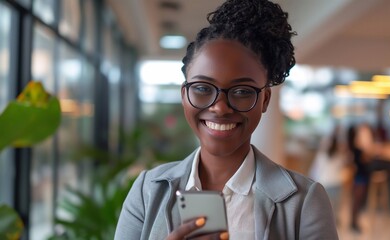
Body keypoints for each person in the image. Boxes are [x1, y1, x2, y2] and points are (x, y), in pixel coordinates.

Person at [115, 0, 338, 239]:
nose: (220, 108)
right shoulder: (147, 191)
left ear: (264, 100)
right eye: (202, 88)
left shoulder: (304, 201)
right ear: (184, 95)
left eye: (242, 91)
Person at [309, 125, 350, 224]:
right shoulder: (340, 156)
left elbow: (314, 171)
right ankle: (334, 224)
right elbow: (346, 163)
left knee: (323, 208)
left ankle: (325, 224)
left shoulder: (321, 155)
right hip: (336, 183)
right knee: (335, 208)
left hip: (324, 183)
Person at [347, 123, 374, 233]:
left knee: (357, 200)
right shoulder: (358, 149)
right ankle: (353, 222)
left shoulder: (354, 147)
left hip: (359, 175)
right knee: (357, 200)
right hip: (360, 176)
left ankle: (354, 222)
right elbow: (365, 160)